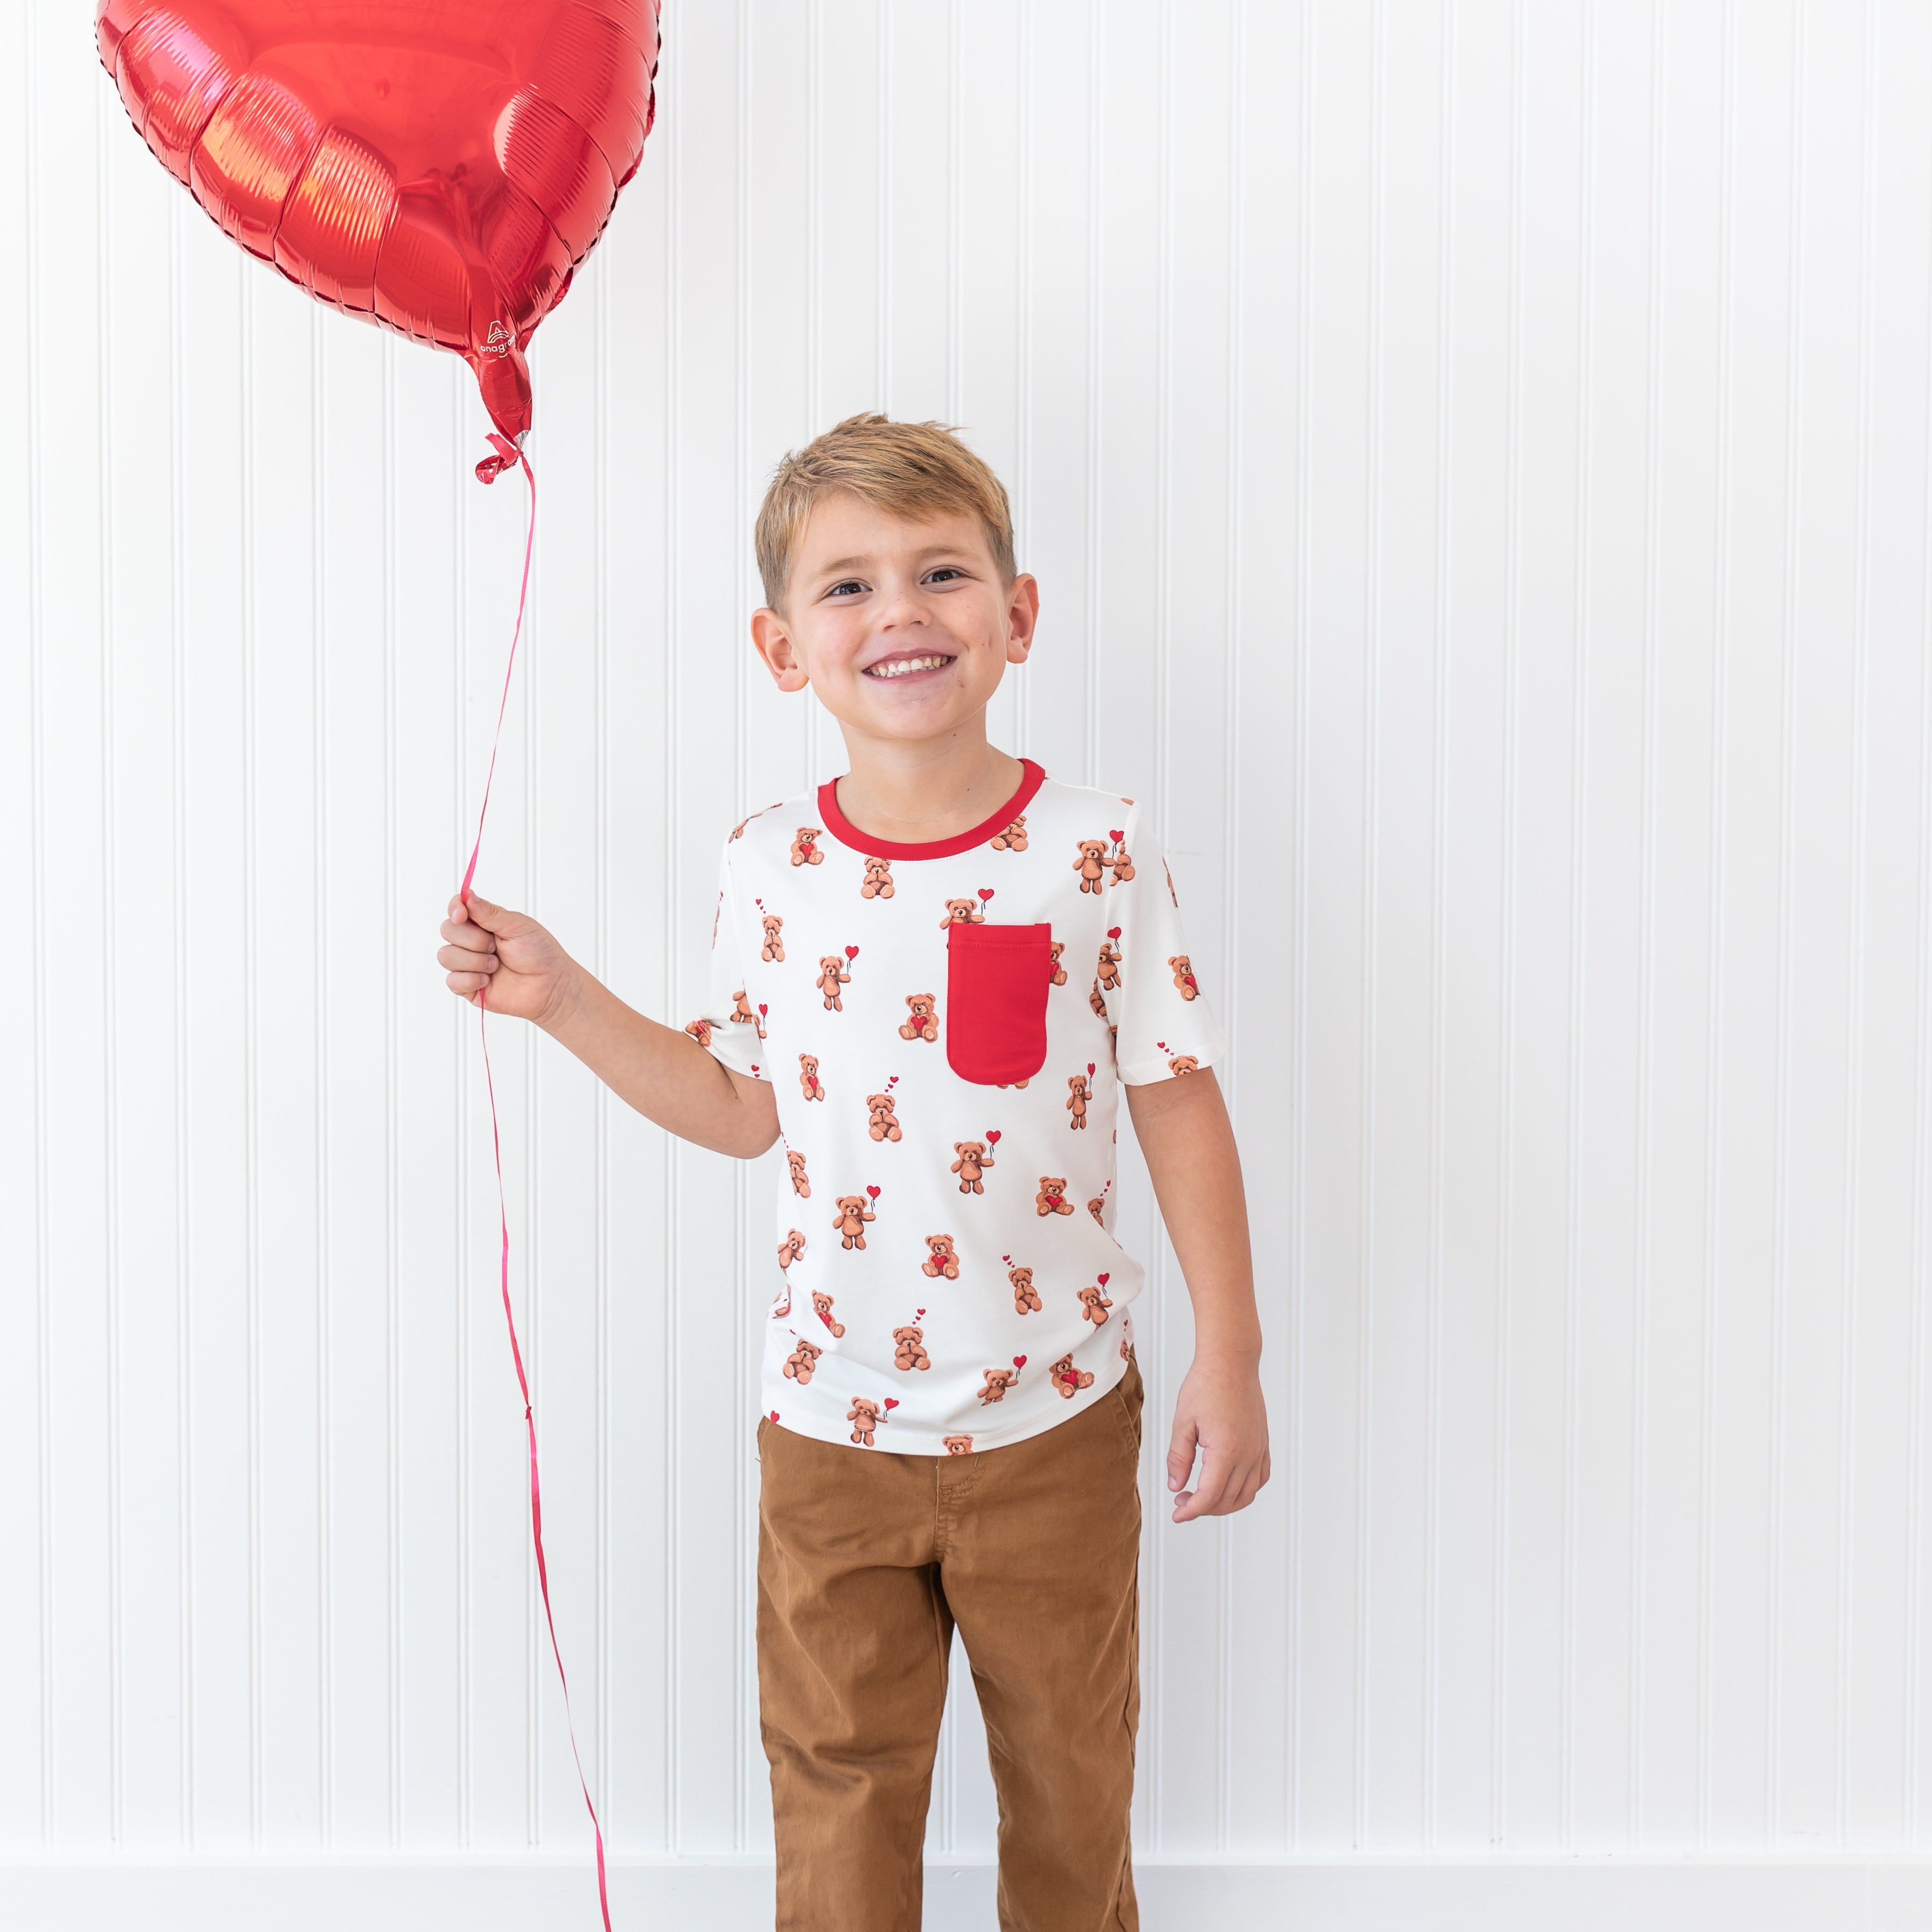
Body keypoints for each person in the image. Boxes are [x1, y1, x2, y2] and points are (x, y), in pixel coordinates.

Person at [436, 412, 1269, 1931]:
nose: (898, 611)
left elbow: (1175, 1094)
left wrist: (1233, 1350)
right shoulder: (769, 867)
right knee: (838, 1793)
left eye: (941, 572)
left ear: (1016, 617)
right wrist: (560, 995)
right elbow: (742, 1102)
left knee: (1072, 1795)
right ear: (779, 646)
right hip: (828, 1427)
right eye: (848, 586)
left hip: (1057, 1421)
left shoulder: (1094, 854)